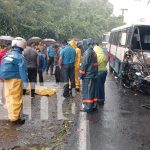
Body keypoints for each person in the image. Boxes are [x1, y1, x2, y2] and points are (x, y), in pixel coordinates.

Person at [0, 37, 28, 124]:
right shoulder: (20, 57)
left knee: (9, 97)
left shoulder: (7, 55)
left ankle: (11, 115)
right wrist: (25, 83)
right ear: (22, 47)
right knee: (16, 98)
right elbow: (23, 71)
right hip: (16, 79)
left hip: (6, 79)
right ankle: (15, 118)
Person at [80, 38, 98, 112]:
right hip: (93, 75)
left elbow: (84, 64)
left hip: (88, 76)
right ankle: (93, 106)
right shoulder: (93, 52)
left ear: (86, 44)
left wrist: (81, 75)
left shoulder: (87, 52)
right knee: (92, 92)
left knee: (88, 92)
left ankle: (88, 108)